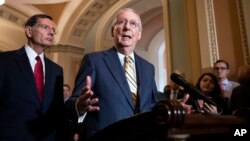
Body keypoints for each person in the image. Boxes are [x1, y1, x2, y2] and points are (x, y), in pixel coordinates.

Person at [65, 8, 191, 140]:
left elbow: (153, 103)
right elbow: (71, 103)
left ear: (139, 34)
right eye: (121, 22)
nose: (127, 27)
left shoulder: (148, 68)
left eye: (133, 24)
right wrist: (79, 106)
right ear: (113, 31)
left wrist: (173, 106)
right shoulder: (94, 61)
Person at [0, 14, 69, 141]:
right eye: (45, 27)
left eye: (53, 30)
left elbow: (58, 111)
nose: (51, 33)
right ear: (29, 31)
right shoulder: (4, 61)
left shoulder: (56, 70)